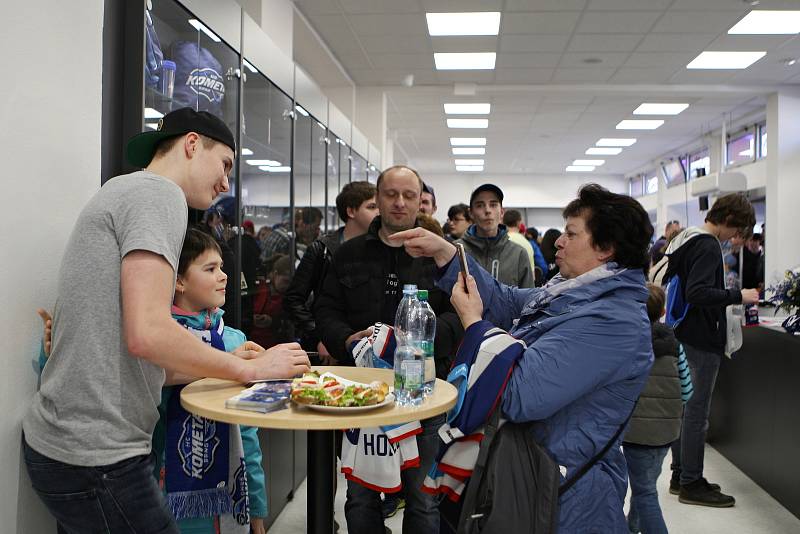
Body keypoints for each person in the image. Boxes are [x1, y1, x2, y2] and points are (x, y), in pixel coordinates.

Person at [22, 108, 310, 533]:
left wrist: (229, 363)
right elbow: (148, 333)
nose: (227, 183)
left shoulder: (126, 191)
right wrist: (250, 368)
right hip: (96, 456)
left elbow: (137, 347)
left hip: (66, 446)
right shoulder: (159, 195)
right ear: (192, 145)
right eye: (225, 165)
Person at [389, 183, 655, 531]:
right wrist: (447, 254)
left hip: (565, 495)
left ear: (605, 249)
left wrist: (473, 324)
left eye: (571, 234)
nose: (558, 241)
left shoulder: (612, 321)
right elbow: (505, 299)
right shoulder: (569, 293)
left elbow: (518, 394)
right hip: (533, 474)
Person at [315, 164, 465, 534]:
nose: (399, 203)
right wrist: (347, 341)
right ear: (378, 199)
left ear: (421, 202)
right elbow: (326, 309)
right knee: (361, 497)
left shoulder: (439, 256)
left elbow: (460, 315)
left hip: (425, 394)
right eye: (391, 195)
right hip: (363, 393)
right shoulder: (348, 254)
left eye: (409, 195)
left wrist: (420, 341)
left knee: (423, 498)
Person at [665, 193, 759, 508]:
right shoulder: (706, 244)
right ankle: (692, 481)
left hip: (682, 333)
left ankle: (681, 475)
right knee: (695, 415)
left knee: (685, 410)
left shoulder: (686, 238)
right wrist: (738, 295)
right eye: (737, 231)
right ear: (730, 219)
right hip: (700, 338)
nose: (735, 238)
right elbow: (699, 292)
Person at [623, 283, 694, 534]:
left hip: (635, 433)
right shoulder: (676, 346)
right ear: (663, 310)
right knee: (646, 486)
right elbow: (687, 391)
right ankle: (631, 528)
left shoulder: (628, 345)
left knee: (644, 492)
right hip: (666, 433)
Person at [283, 181, 379, 364]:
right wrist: (322, 337)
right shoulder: (322, 249)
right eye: (372, 207)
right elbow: (293, 299)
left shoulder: (379, 249)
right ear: (351, 212)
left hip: (370, 349)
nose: (378, 212)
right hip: (330, 351)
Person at [458, 184, 533, 288]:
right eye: (480, 205)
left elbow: (528, 299)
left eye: (493, 205)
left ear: (502, 212)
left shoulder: (518, 254)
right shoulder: (456, 251)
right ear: (471, 213)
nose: (487, 210)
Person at [502, 209, 537, 275]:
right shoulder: (527, 244)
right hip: (521, 284)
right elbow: (532, 276)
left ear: (503, 222)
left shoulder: (499, 241)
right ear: (519, 223)